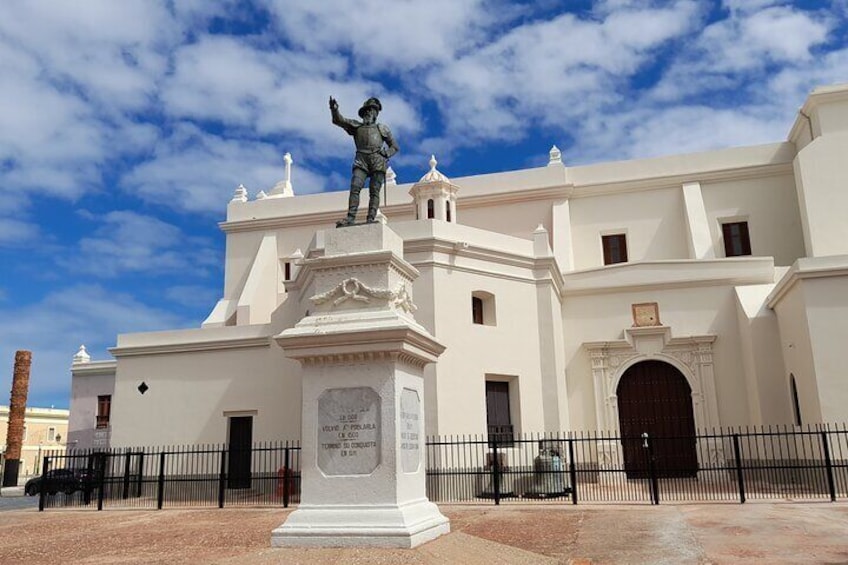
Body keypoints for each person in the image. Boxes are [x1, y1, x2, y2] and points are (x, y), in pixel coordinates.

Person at [329, 96, 399, 226]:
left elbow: (394, 146)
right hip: (361, 159)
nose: (368, 112)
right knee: (355, 187)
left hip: (377, 160)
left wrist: (386, 153)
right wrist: (334, 109)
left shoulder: (382, 129)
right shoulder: (356, 126)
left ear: (375, 114)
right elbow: (339, 120)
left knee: (374, 191)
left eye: (371, 110)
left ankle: (371, 218)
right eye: (366, 110)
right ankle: (350, 218)